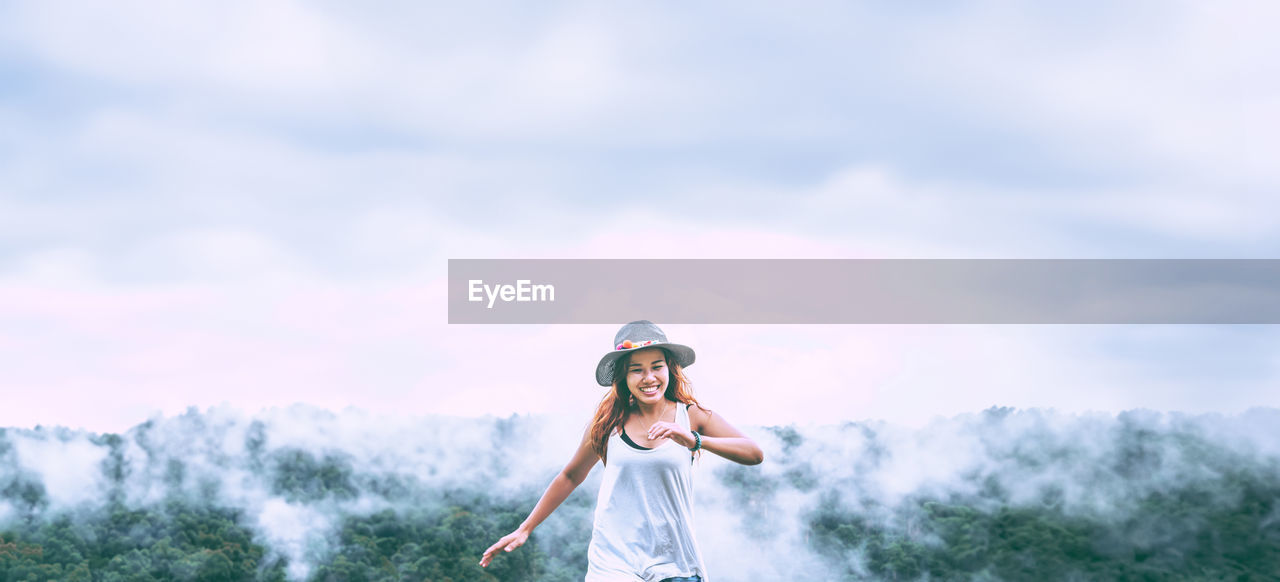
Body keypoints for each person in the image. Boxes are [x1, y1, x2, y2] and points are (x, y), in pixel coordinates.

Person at [480, 320, 764, 582]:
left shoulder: (692, 416)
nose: (648, 377)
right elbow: (570, 476)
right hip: (614, 561)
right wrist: (525, 528)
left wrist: (694, 440)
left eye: (656, 366)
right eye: (636, 369)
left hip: (674, 563)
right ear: (623, 377)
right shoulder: (608, 425)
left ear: (670, 369)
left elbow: (753, 453)